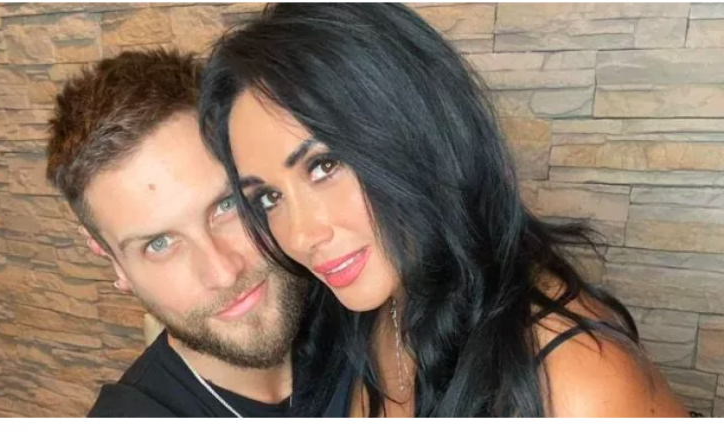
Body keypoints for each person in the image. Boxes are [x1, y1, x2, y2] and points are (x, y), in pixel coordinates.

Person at [199, 3, 690, 417]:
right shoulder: (355, 306)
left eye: (325, 165)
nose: (302, 235)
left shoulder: (577, 383)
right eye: (268, 198)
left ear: (417, 130)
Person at [46, 48, 346, 417]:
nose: (223, 272)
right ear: (115, 264)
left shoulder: (361, 304)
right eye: (159, 244)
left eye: (227, 205)